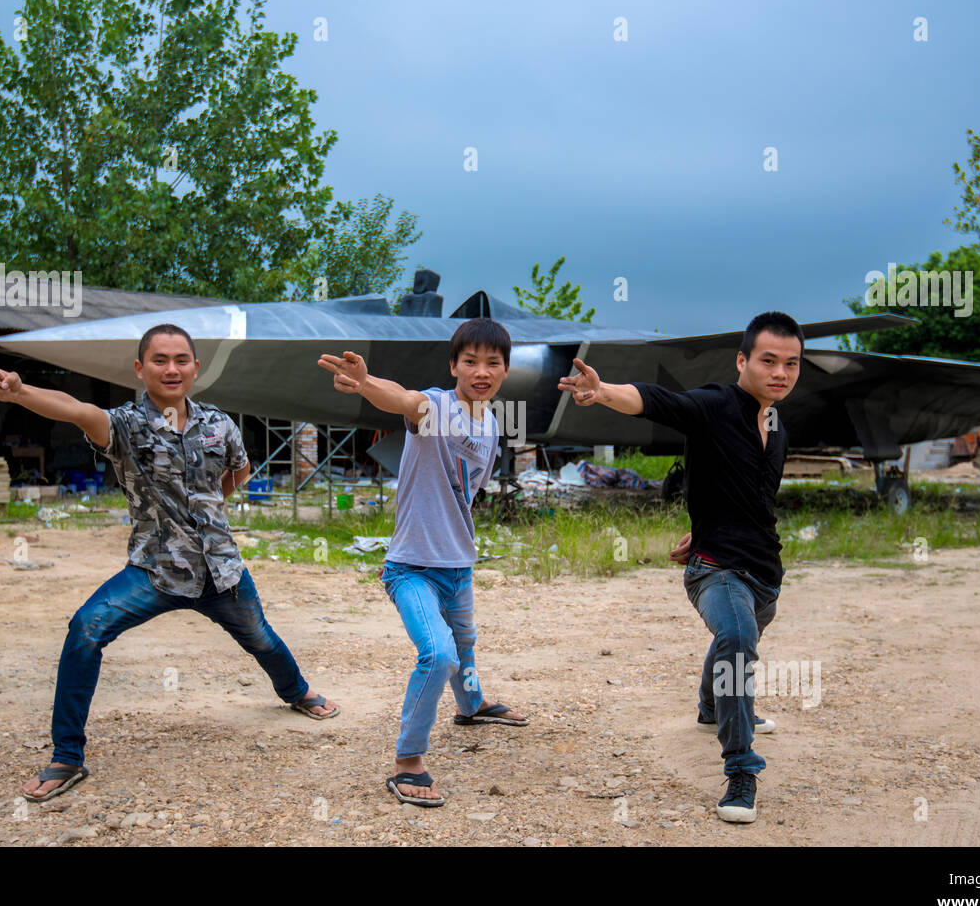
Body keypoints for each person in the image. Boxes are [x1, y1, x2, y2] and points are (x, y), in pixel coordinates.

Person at [0, 323, 337, 803]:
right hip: (154, 571)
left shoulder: (218, 424)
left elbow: (240, 469)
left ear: (196, 368)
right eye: (159, 360)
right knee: (85, 629)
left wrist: (207, 510)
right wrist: (20, 394)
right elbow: (76, 409)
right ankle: (66, 757)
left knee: (261, 638)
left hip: (221, 570)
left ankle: (297, 693)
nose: (171, 368)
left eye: (181, 359)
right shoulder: (122, 424)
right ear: (141, 369)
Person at [558, 311, 804, 823]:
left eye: (791, 364)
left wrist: (704, 520)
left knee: (738, 638)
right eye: (768, 361)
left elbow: (755, 496)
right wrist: (603, 392)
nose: (780, 372)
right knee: (737, 639)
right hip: (713, 568)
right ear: (743, 360)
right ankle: (742, 770)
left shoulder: (778, 426)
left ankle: (712, 706)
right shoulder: (714, 404)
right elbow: (655, 399)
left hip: (765, 570)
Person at [317, 318, 527, 807]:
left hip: (459, 564)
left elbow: (464, 493)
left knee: (465, 647)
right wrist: (367, 384)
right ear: (453, 365)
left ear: (505, 371)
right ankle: (408, 761)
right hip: (411, 568)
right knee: (439, 655)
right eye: (470, 361)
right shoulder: (438, 407)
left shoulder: (491, 424)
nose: (481, 371)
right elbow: (405, 399)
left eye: (492, 363)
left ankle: (472, 705)